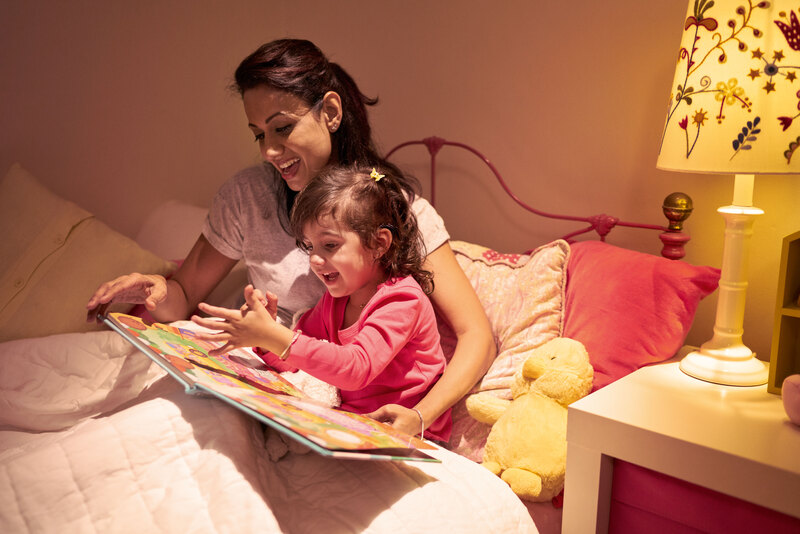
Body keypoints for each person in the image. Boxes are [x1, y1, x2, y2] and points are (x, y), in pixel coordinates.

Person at [85, 38, 494, 437]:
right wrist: (155, 289)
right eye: (259, 134)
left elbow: (476, 337)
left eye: (282, 128)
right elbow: (184, 296)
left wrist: (420, 417)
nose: (268, 151)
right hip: (274, 386)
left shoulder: (400, 217)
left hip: (332, 406)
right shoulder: (248, 197)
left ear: (330, 112)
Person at [191, 164, 451, 441]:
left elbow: (356, 369)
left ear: (379, 243)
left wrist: (280, 339)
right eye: (309, 246)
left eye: (329, 245)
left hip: (410, 432)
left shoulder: (402, 300)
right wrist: (266, 338)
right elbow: (300, 360)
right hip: (351, 422)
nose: (314, 259)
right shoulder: (335, 301)